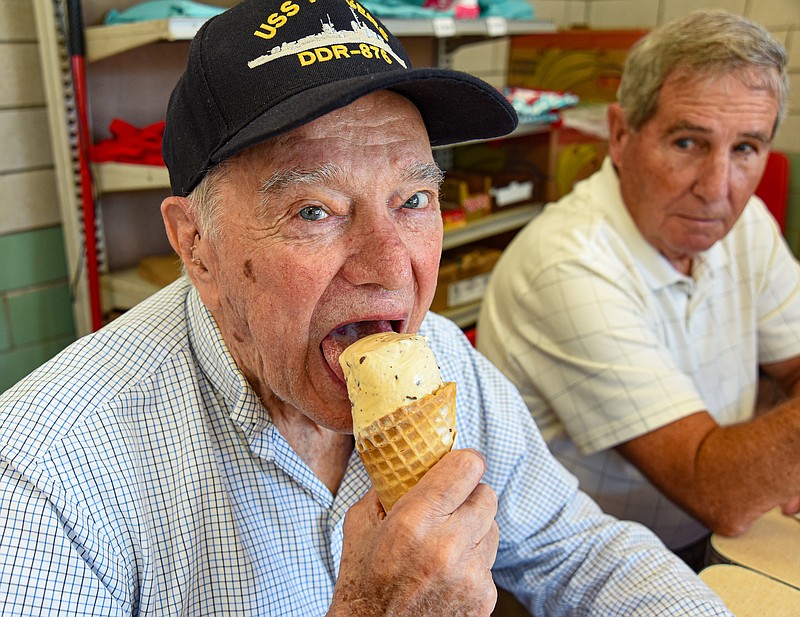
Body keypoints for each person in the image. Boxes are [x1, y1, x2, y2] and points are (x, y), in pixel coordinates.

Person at [0, 1, 731, 615]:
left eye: (413, 200)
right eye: (315, 210)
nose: (391, 267)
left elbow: (585, 553)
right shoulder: (49, 479)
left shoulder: (448, 363)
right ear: (196, 247)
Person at [478, 9, 800, 572]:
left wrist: (773, 464)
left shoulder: (744, 227)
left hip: (712, 540)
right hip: (573, 576)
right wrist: (766, 465)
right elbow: (716, 487)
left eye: (746, 148)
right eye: (687, 143)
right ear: (622, 136)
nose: (718, 188)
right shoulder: (566, 262)